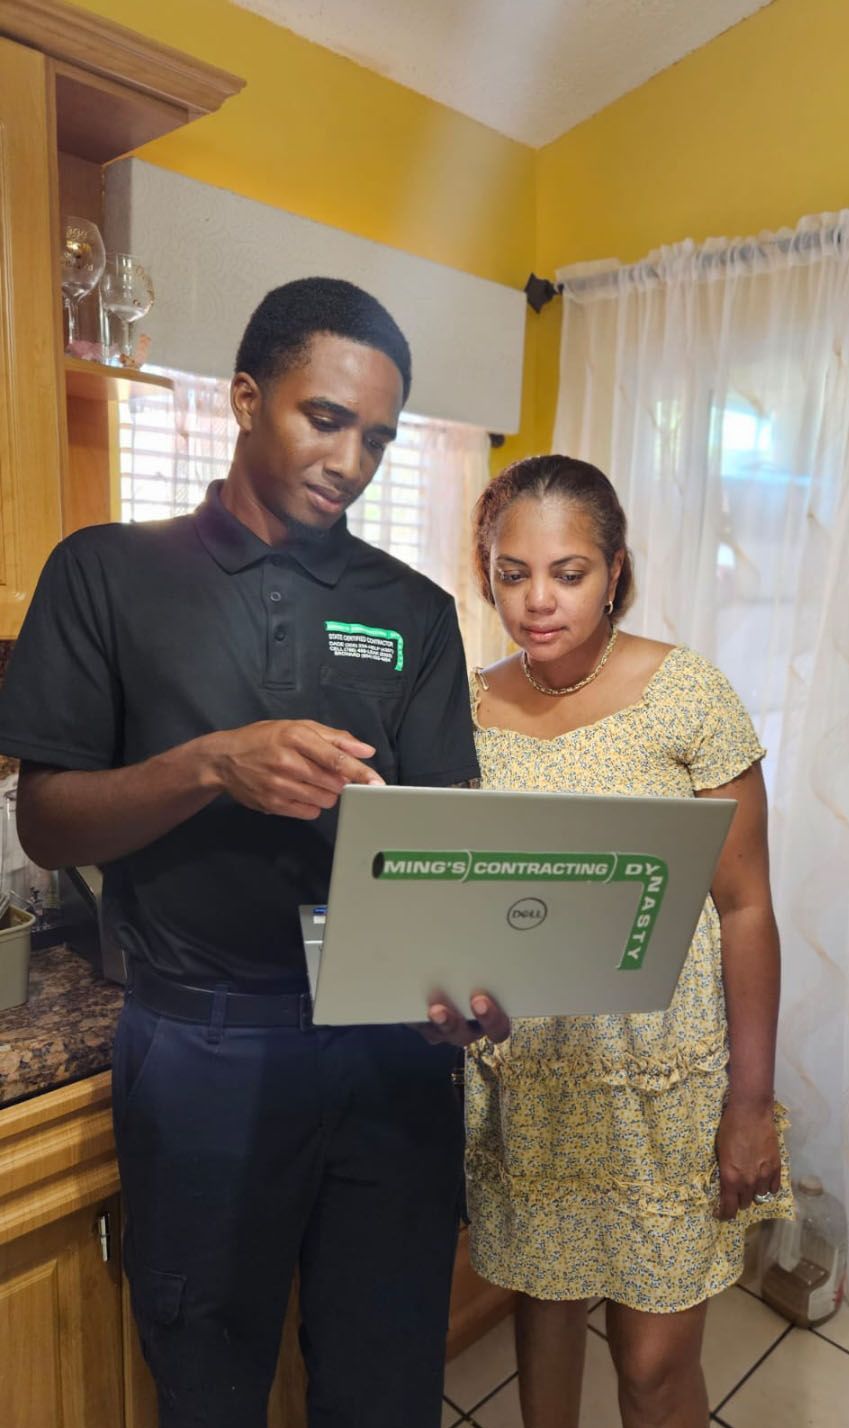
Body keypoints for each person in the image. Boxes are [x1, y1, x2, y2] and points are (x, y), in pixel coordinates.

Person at [0, 277, 507, 1428]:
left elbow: (447, 841)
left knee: (383, 1389)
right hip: (202, 1044)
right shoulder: (109, 573)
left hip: (386, 1053)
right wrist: (209, 765)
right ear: (244, 397)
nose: (352, 459)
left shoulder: (415, 611)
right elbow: (47, 820)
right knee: (209, 1383)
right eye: (324, 418)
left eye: (377, 437)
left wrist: (475, 978)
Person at [465, 455, 794, 1428]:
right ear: (486, 571)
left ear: (615, 571)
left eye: (568, 572)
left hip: (663, 1087)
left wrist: (751, 1104)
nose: (537, 600)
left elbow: (747, 907)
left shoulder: (686, 694)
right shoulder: (471, 709)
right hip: (533, 1079)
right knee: (546, 1316)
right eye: (512, 571)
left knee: (654, 1364)